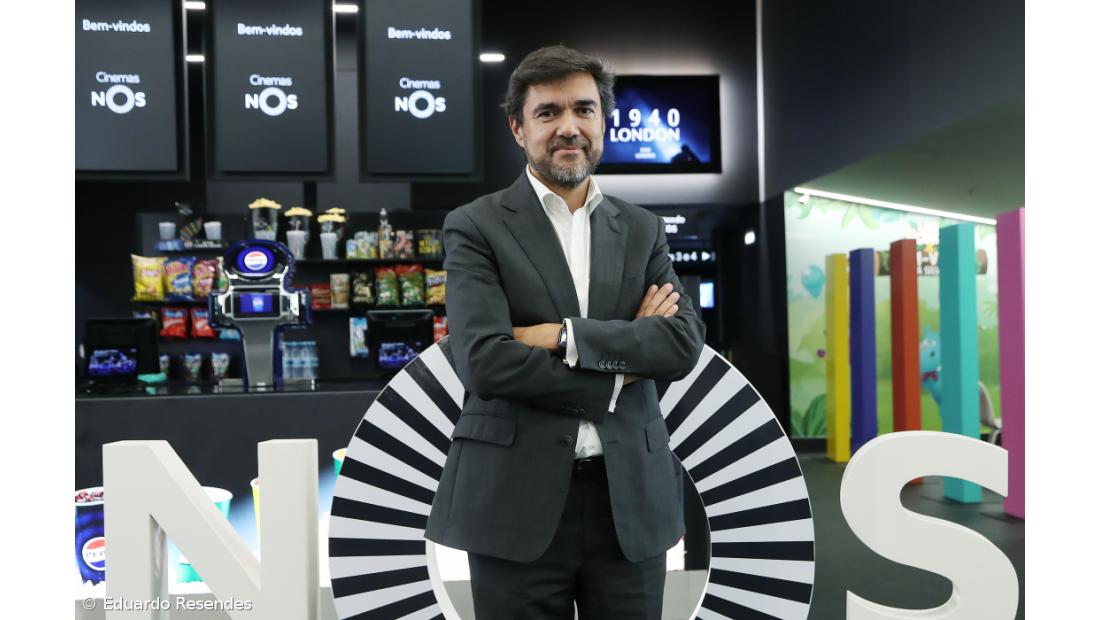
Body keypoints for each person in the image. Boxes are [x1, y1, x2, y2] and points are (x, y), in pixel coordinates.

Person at [424, 45, 706, 619]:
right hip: (513, 502)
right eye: (548, 112)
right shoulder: (475, 225)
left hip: (630, 503)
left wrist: (562, 337)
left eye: (583, 109)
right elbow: (484, 361)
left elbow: (680, 343)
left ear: (603, 122)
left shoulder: (642, 229)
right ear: (518, 128)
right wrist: (621, 367)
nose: (568, 127)